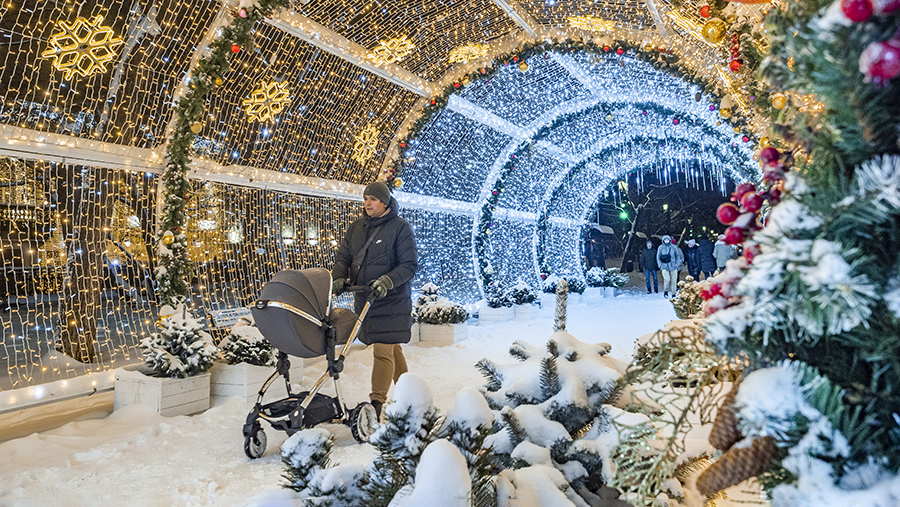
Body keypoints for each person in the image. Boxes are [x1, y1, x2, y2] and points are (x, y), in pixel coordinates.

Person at [331, 181, 418, 420]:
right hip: (366, 299)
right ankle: (409, 394)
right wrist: (338, 277)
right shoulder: (356, 228)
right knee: (392, 349)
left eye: (373, 199)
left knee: (383, 350)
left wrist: (388, 281)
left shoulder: (400, 228)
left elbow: (409, 265)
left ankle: (376, 403)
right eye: (365, 198)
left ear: (385, 202)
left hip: (392, 300)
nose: (367, 203)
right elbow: (344, 257)